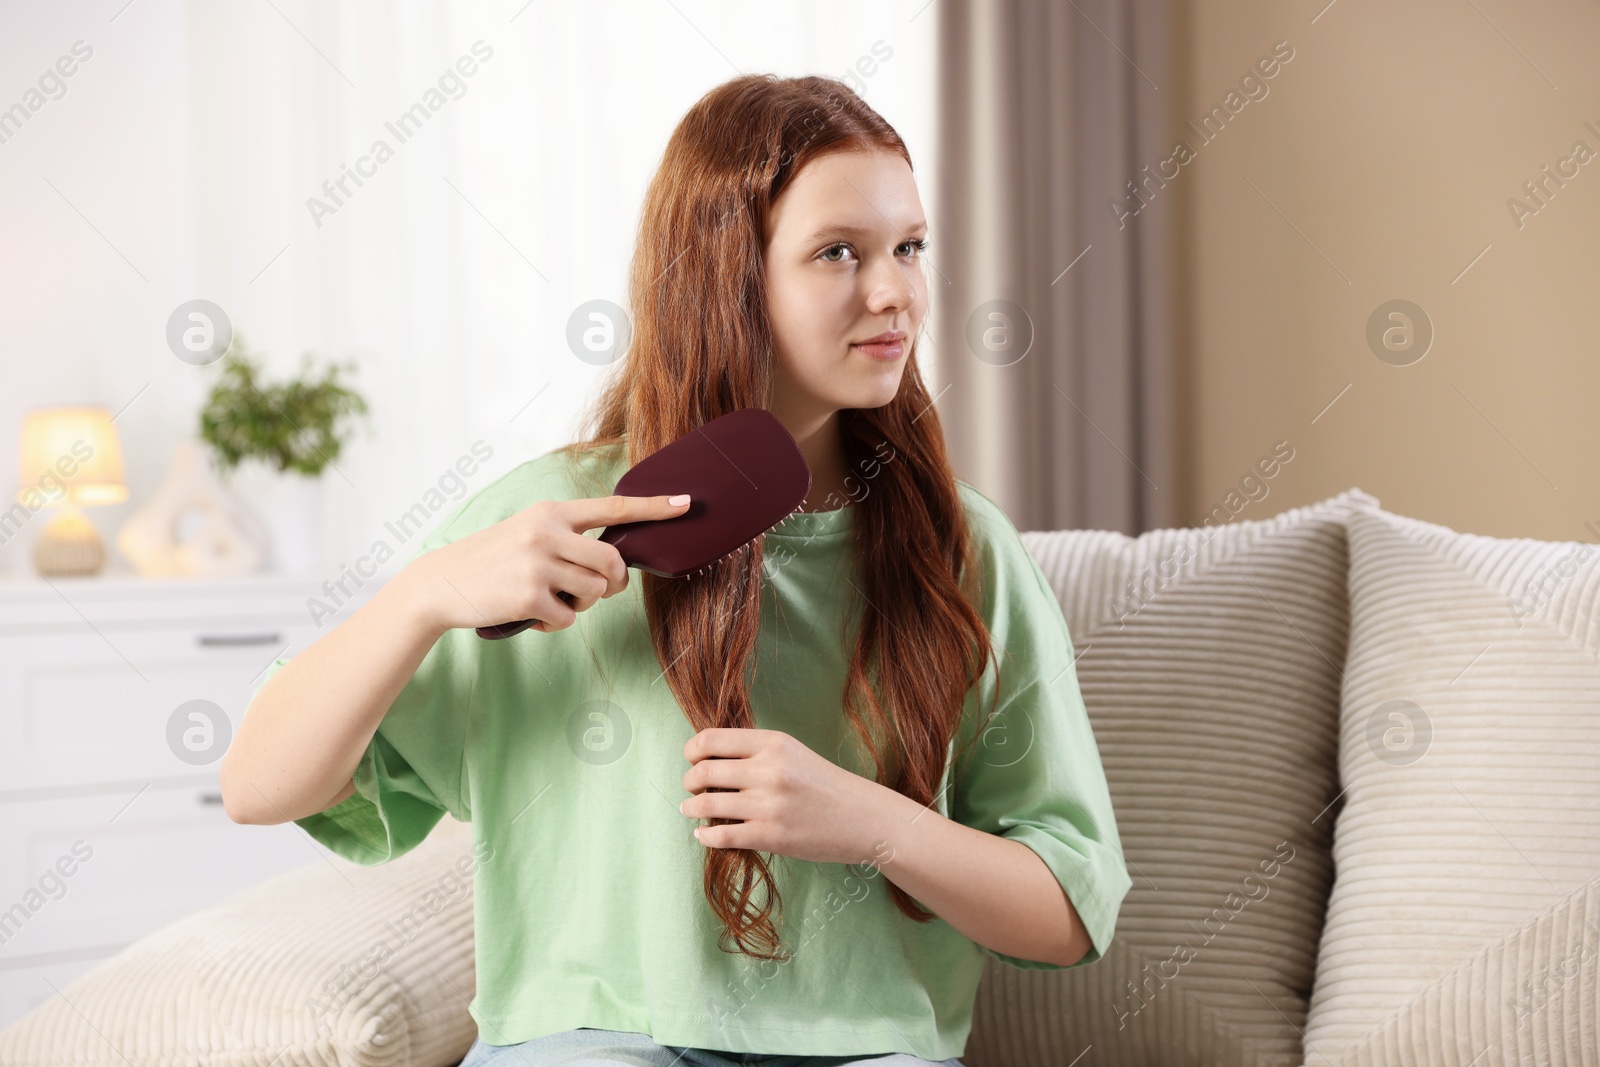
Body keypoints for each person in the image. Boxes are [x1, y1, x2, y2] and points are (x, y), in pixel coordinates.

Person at [221, 73, 1130, 1067]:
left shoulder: (963, 551)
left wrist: (870, 821)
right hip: (586, 1039)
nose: (894, 292)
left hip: (871, 1048)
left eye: (908, 247)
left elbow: (1068, 911)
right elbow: (260, 784)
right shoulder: (548, 529)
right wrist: (424, 595)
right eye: (839, 252)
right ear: (728, 273)